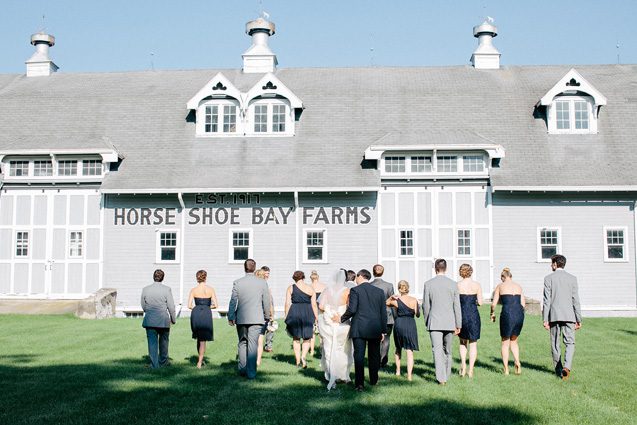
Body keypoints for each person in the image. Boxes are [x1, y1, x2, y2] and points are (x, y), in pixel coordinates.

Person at [334, 269, 387, 392]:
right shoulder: (379, 292)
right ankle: (374, 380)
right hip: (375, 328)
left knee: (359, 356)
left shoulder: (355, 290)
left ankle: (359, 384)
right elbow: (383, 313)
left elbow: (352, 309)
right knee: (374, 356)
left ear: (360, 276)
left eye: (356, 277)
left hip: (359, 327)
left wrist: (341, 318)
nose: (356, 280)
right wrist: (383, 331)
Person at [228, 259, 271, 379]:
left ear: (244, 268)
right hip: (257, 318)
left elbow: (233, 301)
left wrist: (231, 316)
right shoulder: (262, 283)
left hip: (241, 317)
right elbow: (266, 301)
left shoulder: (237, 282)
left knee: (242, 342)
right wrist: (267, 316)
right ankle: (251, 373)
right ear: (255, 267)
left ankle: (242, 369)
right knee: (253, 344)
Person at [542, 254, 582, 380]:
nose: (550, 265)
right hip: (569, 315)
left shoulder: (548, 278)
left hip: (554, 315)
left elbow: (546, 301)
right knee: (570, 342)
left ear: (555, 264)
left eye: (551, 263)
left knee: (555, 343)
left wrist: (545, 319)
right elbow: (575, 300)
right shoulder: (572, 278)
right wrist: (578, 318)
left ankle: (559, 369)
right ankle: (567, 367)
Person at [422, 259, 462, 385]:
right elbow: (457, 306)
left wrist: (427, 320)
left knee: (437, 350)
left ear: (435, 268)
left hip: (434, 321)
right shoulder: (453, 284)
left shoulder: (428, 284)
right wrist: (458, 324)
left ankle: (441, 378)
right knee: (448, 350)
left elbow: (425, 306)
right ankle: (446, 375)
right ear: (446, 268)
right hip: (450, 321)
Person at [318, 269, 353, 390]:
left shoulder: (327, 290)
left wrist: (329, 312)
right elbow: (350, 307)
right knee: (343, 349)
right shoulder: (347, 291)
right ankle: (343, 375)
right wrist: (340, 314)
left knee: (328, 349)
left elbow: (321, 306)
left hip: (329, 324)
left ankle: (331, 375)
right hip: (342, 324)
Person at [491, 267, 525, 375]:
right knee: (514, 341)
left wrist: (492, 313)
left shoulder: (500, 286)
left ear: (503, 277)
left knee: (505, 342)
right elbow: (523, 304)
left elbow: (493, 304)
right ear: (511, 276)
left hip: (507, 313)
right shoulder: (519, 286)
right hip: (519, 313)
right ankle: (517, 362)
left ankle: (506, 368)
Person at [141, 269, 176, 369]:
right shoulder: (167, 289)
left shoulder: (145, 289)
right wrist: (173, 319)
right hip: (163, 320)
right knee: (164, 341)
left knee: (152, 342)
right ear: (163, 278)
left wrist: (148, 311)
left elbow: (143, 305)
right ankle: (163, 361)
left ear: (153, 277)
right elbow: (171, 306)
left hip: (150, 319)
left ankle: (154, 364)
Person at [284, 271, 319, 368]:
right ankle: (303, 357)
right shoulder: (310, 288)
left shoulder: (291, 288)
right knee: (307, 338)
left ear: (294, 278)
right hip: (308, 312)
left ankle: (298, 361)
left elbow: (287, 303)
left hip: (295, 312)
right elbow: (314, 305)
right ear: (303, 277)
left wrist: (287, 316)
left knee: (296, 338)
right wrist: (316, 317)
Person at [386, 280, 419, 381]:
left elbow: (386, 303)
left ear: (399, 288)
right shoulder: (414, 300)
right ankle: (409, 376)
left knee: (398, 348)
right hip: (410, 324)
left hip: (399, 324)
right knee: (409, 351)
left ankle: (398, 371)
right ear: (408, 288)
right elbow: (417, 315)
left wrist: (391, 297)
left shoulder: (396, 301)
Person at [188, 269, 218, 369]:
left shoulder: (193, 290)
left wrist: (197, 308)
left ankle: (200, 360)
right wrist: (207, 307)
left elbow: (189, 305)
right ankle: (200, 361)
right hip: (206, 313)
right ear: (205, 278)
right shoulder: (210, 289)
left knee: (199, 337)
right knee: (202, 338)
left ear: (197, 278)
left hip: (196, 313)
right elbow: (216, 305)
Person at [457, 264, 483, 378]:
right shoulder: (477, 285)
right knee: (473, 343)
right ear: (471, 272)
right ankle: (471, 370)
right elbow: (481, 303)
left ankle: (463, 366)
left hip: (462, 315)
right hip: (473, 315)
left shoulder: (457, 285)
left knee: (463, 342)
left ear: (461, 272)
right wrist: (473, 302)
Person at [370, 264, 395, 368]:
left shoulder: (369, 285)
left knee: (374, 340)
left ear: (373, 272)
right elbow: (392, 301)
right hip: (387, 316)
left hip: (373, 317)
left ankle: (374, 361)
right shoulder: (389, 286)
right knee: (386, 340)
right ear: (383, 272)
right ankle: (382, 361)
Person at [308, 270, 327, 355]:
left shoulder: (308, 287)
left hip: (311, 309)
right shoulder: (324, 286)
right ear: (318, 277)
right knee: (321, 330)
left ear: (311, 278)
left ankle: (311, 351)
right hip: (322, 310)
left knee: (312, 331)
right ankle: (321, 349)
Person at [261, 266, 276, 354]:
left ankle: (268, 346)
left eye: (268, 273)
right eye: (266, 273)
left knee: (271, 328)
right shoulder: (261, 283)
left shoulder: (266, 283)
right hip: (264, 309)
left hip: (269, 306)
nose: (267, 275)